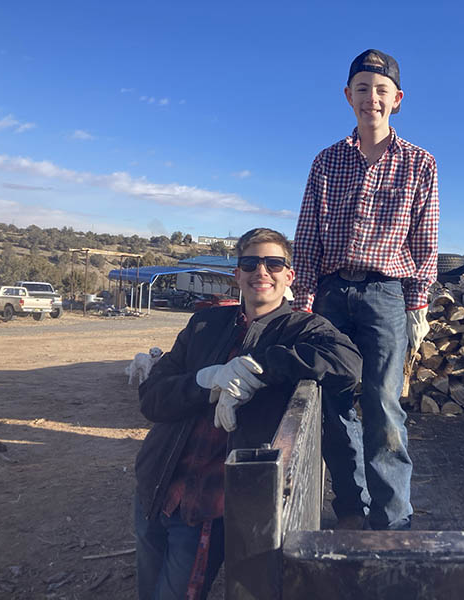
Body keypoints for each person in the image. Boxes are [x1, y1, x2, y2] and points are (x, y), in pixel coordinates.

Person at [133, 227, 362, 599]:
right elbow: (151, 398)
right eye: (251, 263)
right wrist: (206, 382)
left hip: (208, 501)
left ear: (290, 275)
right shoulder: (204, 324)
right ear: (237, 274)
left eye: (274, 264)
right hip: (157, 484)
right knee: (148, 585)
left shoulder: (304, 329)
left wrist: (259, 368)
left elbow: (348, 363)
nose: (262, 272)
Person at [292, 49, 439, 531]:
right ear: (347, 95)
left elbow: (425, 240)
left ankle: (393, 518)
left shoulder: (419, 163)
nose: (370, 98)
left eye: (381, 90)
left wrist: (417, 305)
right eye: (362, 89)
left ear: (397, 99)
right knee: (332, 404)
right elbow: (307, 236)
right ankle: (351, 509)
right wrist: (304, 302)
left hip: (385, 295)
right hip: (331, 295)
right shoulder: (326, 161)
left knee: (383, 405)